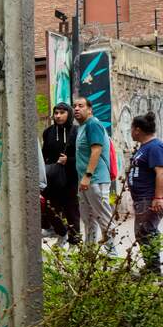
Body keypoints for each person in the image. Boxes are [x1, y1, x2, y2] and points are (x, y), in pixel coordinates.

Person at [73, 96, 116, 254]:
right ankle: (89, 253)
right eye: (75, 106)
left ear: (90, 109)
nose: (76, 109)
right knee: (89, 218)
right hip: (85, 182)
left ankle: (112, 254)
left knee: (103, 217)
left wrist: (88, 175)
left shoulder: (93, 124)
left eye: (81, 106)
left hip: (95, 180)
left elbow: (96, 150)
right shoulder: (82, 127)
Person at [41, 102, 80, 246]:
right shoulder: (48, 132)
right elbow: (44, 154)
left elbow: (83, 156)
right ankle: (62, 234)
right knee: (50, 208)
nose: (58, 116)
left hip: (70, 177)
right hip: (52, 176)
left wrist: (68, 160)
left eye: (62, 113)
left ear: (69, 114)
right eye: (56, 113)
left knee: (71, 210)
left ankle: (74, 243)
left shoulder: (76, 131)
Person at [129, 111, 163, 274]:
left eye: (131, 128)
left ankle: (154, 271)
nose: (130, 131)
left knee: (146, 231)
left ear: (137, 130)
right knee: (144, 232)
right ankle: (151, 268)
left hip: (149, 198)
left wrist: (158, 197)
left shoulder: (155, 147)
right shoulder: (144, 147)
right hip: (141, 198)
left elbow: (161, 172)